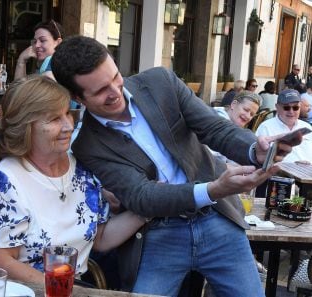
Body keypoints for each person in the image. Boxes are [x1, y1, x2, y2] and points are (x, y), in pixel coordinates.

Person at [51, 36, 296, 296]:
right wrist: (212, 189)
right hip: (157, 233)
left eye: (115, 77)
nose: (115, 91)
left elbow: (213, 128)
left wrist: (254, 150)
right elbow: (142, 197)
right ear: (78, 97)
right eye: (100, 90)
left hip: (216, 219)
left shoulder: (159, 83)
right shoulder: (87, 145)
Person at [0, 75, 146, 284]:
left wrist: (146, 209)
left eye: (67, 113)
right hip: (26, 290)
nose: (68, 126)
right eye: (54, 119)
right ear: (26, 127)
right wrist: (58, 287)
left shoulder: (82, 170)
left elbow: (100, 238)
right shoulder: (5, 181)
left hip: (73, 286)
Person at [256, 89, 312, 163]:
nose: (291, 111)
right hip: (279, 173)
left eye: (295, 108)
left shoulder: (307, 126)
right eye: (286, 108)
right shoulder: (265, 127)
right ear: (277, 107)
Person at [211, 91, 261, 164]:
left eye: (252, 114)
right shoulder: (216, 122)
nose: (248, 116)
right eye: (246, 110)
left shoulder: (232, 124)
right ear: (233, 104)